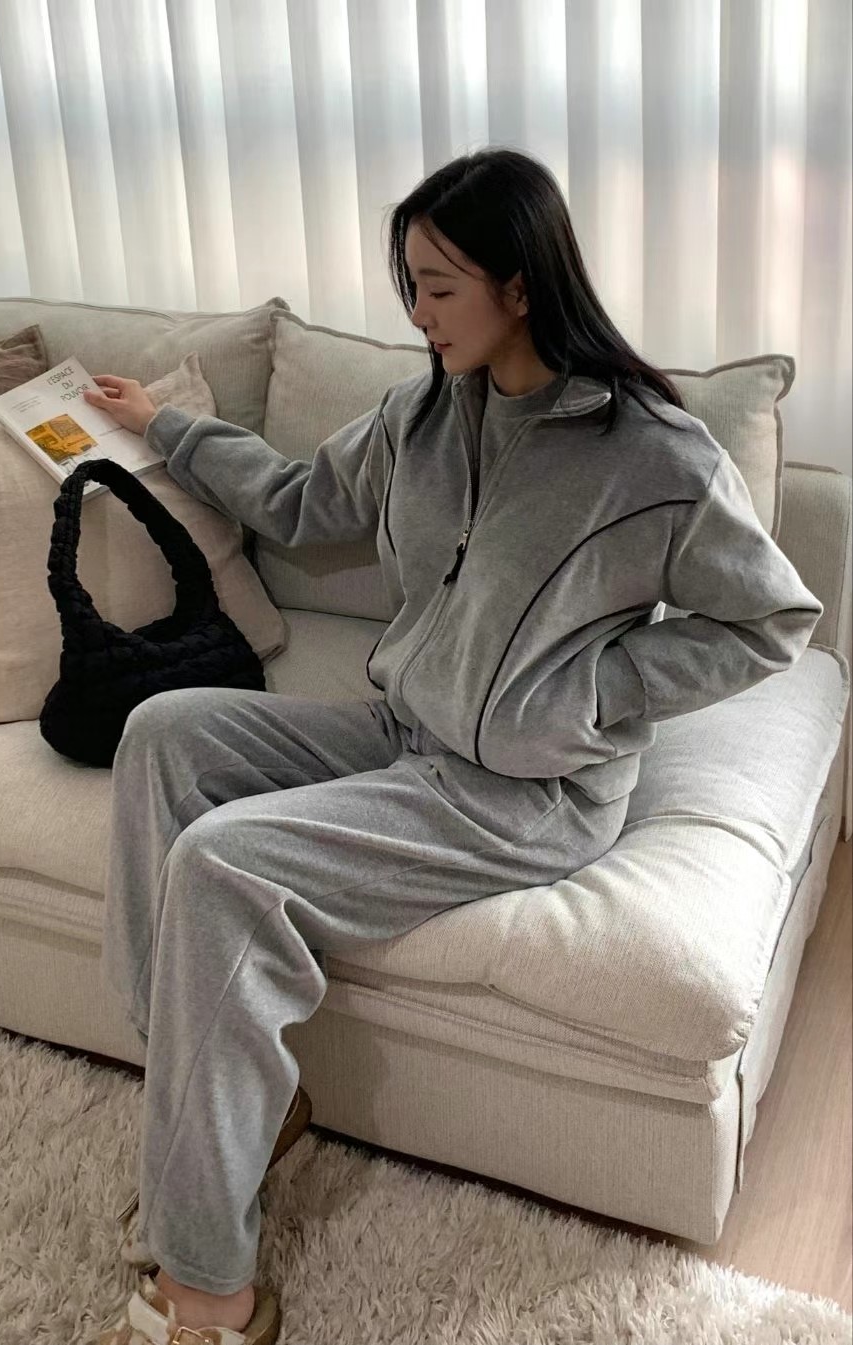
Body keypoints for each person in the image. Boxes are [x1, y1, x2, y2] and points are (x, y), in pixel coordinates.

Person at [86, 148, 823, 1345]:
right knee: (162, 732)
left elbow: (773, 620)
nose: (416, 314)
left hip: (524, 792)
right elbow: (297, 504)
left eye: (437, 288)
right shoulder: (422, 416)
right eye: (411, 286)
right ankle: (215, 1119)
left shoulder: (651, 454)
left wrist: (592, 692)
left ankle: (212, 1287)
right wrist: (167, 425)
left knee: (221, 864)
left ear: (519, 285)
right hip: (405, 730)